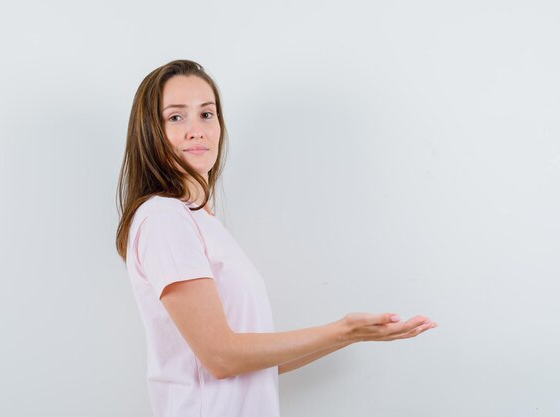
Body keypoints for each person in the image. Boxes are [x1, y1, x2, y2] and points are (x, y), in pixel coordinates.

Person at [115, 59, 437, 417]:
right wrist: (341, 330)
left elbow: (252, 363)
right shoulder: (164, 218)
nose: (196, 130)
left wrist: (351, 335)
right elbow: (221, 357)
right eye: (176, 117)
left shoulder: (199, 221)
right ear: (149, 132)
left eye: (207, 114)